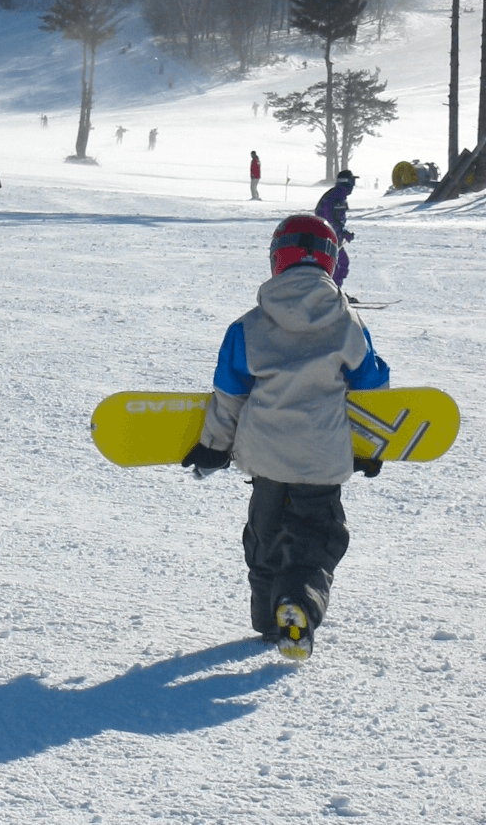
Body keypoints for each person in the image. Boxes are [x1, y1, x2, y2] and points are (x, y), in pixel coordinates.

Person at [181, 214, 389, 661]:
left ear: (277, 259)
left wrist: (214, 449)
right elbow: (370, 391)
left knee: (265, 535)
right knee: (317, 540)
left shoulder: (247, 327)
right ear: (331, 264)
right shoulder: (349, 324)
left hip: (265, 459)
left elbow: (229, 399)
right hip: (322, 461)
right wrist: (368, 447)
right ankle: (296, 605)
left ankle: (265, 618)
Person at [314, 169, 358, 290]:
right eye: (353, 182)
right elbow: (327, 216)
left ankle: (334, 291)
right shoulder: (337, 194)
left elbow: (335, 217)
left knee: (339, 264)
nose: (354, 186)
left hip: (330, 236)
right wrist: (340, 232)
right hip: (327, 237)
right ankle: (332, 293)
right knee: (340, 264)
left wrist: (343, 232)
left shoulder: (339, 194)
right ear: (347, 182)